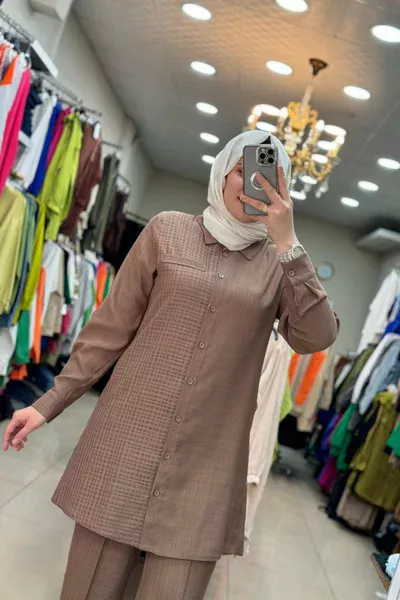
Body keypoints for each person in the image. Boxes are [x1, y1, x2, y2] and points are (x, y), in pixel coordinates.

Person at [3, 130, 338, 600]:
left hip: (206, 467)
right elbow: (109, 330)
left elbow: (316, 337)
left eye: (269, 177)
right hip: (125, 445)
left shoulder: (279, 266)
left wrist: (289, 244)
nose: (253, 184)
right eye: (242, 171)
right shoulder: (166, 231)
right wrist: (48, 403)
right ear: (222, 173)